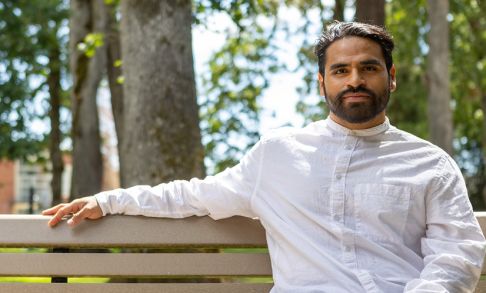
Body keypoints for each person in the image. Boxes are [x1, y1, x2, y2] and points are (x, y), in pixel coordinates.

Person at [43, 21, 486, 292]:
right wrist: (110, 200)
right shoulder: (278, 156)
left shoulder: (430, 164)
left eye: (368, 68)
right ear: (322, 83)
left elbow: (456, 254)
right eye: (340, 70)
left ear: (391, 78)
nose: (355, 80)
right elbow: (192, 196)